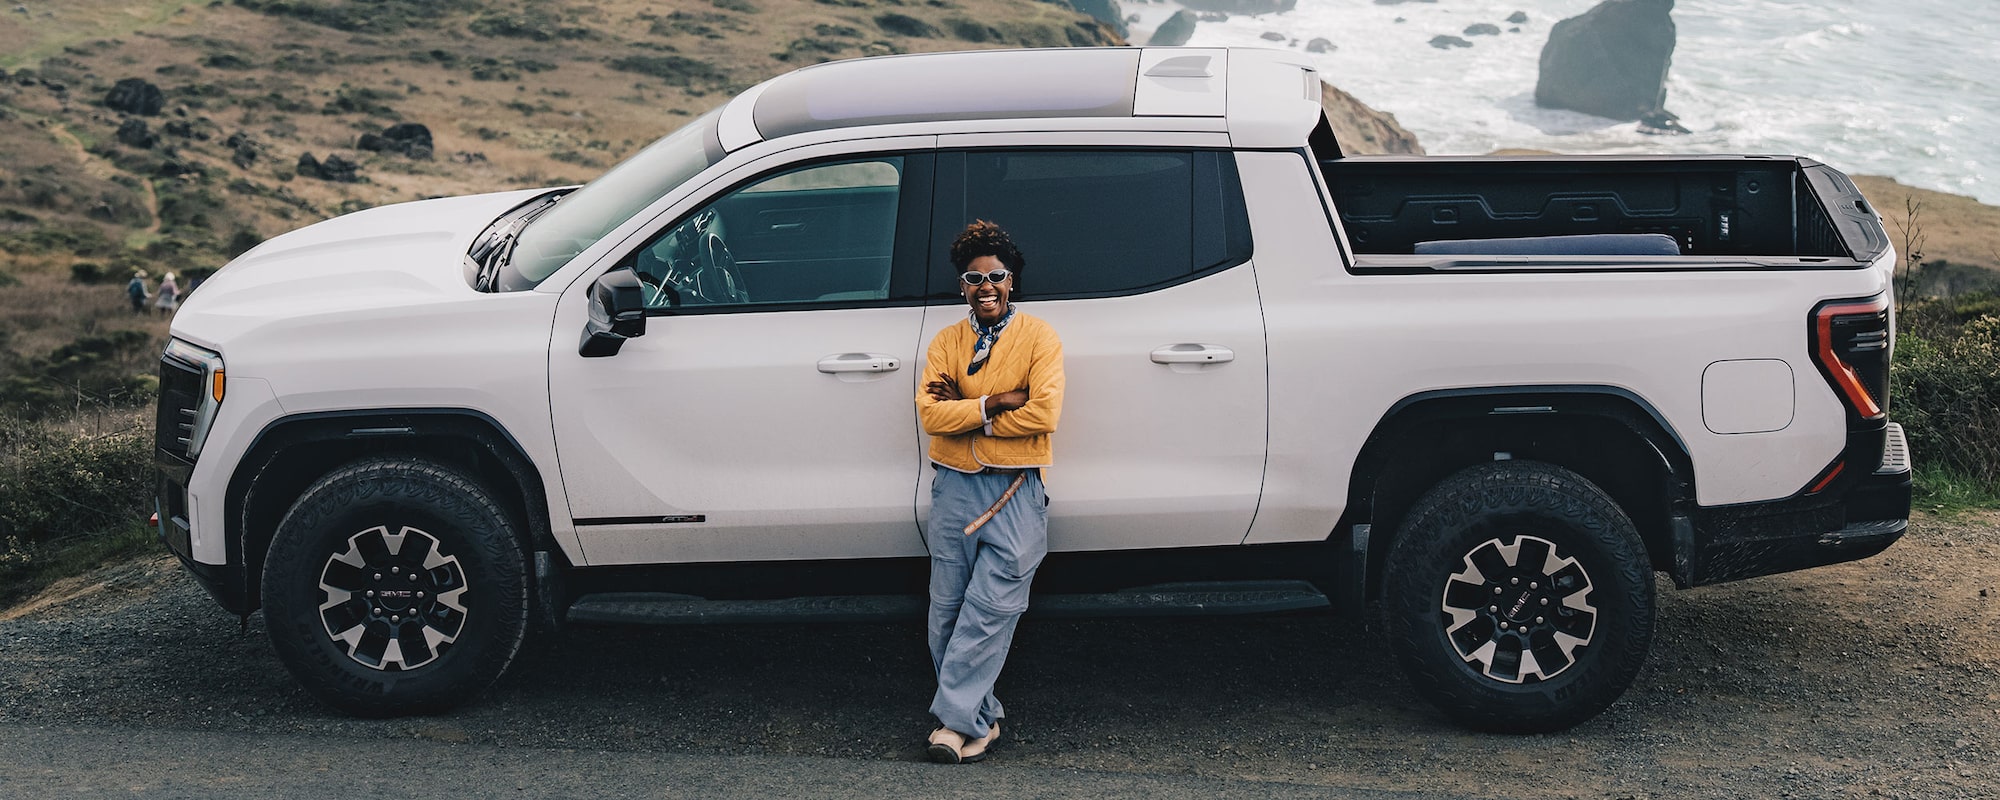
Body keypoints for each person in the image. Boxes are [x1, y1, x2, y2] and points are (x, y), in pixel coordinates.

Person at [914, 220, 1064, 764]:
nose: (987, 287)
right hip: (954, 487)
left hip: (1017, 489)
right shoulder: (946, 342)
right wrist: (997, 402)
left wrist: (969, 414)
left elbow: (1044, 411)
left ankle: (951, 726)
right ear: (962, 287)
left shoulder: (1040, 337)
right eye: (974, 279)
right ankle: (982, 720)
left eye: (996, 276)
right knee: (947, 612)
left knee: (991, 610)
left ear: (1011, 281)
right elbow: (931, 413)